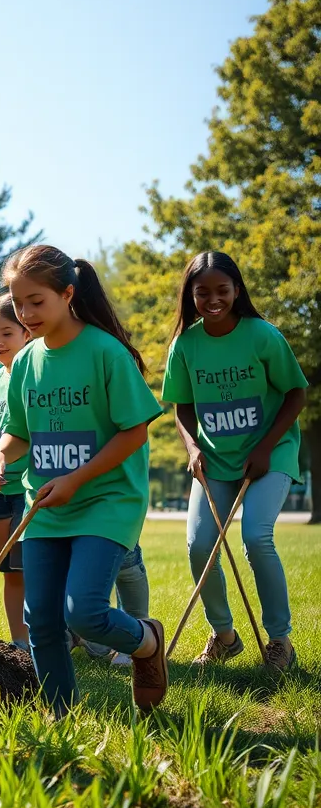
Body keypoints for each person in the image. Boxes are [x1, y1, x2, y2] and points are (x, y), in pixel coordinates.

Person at [0, 245, 167, 715]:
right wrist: (1, 458)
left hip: (106, 500)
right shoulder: (25, 362)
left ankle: (146, 642)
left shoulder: (106, 352)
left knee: (83, 612)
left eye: (36, 301)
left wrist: (77, 478)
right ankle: (61, 716)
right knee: (41, 619)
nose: (25, 313)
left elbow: (135, 430)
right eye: (17, 302)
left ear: (68, 294)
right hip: (47, 504)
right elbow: (19, 432)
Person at [162, 250, 307, 671]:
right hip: (214, 460)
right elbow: (182, 407)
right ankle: (224, 637)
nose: (212, 299)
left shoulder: (263, 335)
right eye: (201, 292)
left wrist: (264, 448)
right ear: (190, 295)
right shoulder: (185, 345)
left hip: (269, 452)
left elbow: (296, 393)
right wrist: (192, 449)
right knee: (199, 546)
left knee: (256, 537)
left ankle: (279, 641)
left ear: (236, 291)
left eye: (221, 290)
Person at [0, 290, 31, 652]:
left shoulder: (34, 373)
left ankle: (54, 635)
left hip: (31, 490)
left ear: (26, 332)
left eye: (7, 333)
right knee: (10, 571)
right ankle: (19, 642)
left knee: (33, 570)